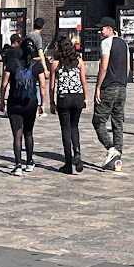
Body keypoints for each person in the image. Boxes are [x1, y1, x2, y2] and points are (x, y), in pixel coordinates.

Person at [93, 16, 132, 170]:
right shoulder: (124, 44)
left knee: (98, 121)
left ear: (109, 29)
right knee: (117, 122)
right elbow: (128, 68)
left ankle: (111, 148)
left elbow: (103, 67)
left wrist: (98, 87)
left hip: (109, 86)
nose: (99, 31)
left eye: (102, 29)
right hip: (122, 87)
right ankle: (118, 158)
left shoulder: (106, 43)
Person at [48, 33, 88, 173]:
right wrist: (85, 98)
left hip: (64, 97)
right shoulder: (78, 60)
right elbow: (83, 81)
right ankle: (77, 153)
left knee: (65, 129)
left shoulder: (56, 63)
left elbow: (52, 85)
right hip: (77, 96)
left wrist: (52, 102)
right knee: (74, 126)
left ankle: (68, 163)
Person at [3, 38, 44, 174]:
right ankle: (30, 161)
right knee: (29, 132)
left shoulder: (12, 64)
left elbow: (4, 84)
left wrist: (2, 100)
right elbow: (42, 86)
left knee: (17, 134)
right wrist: (42, 103)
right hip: (30, 102)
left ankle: (18, 165)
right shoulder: (37, 65)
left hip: (14, 102)